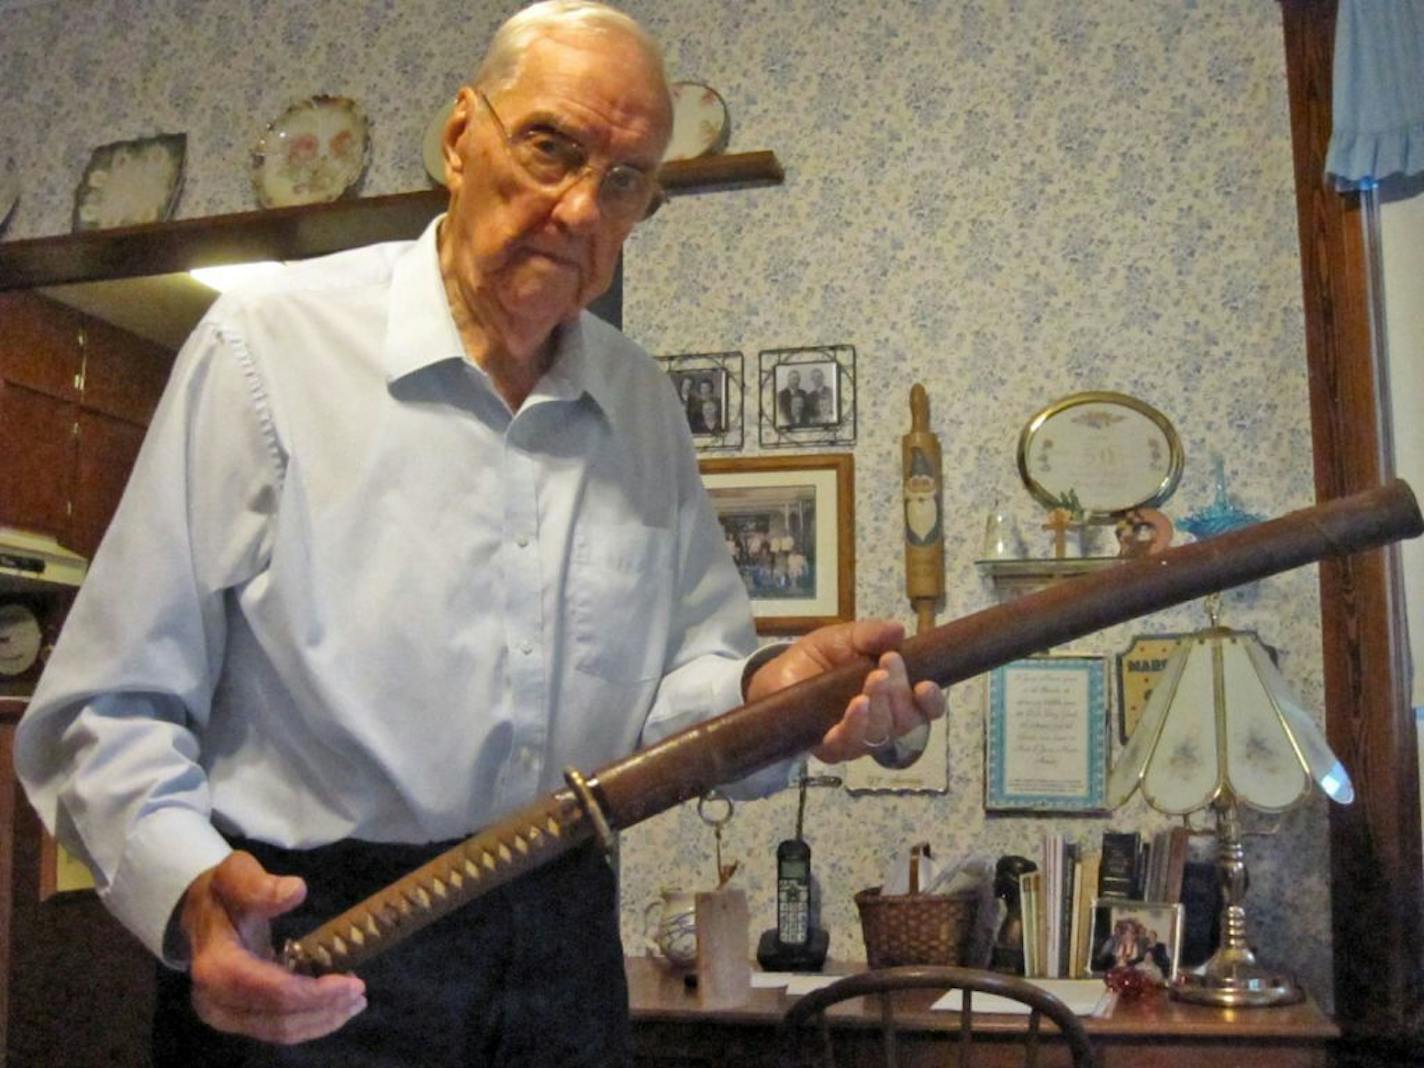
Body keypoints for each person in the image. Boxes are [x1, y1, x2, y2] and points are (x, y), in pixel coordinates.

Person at [13, 4, 943, 1066]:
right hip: (318, 938)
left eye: (627, 180)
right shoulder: (266, 350)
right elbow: (109, 700)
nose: (579, 206)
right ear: (462, 137)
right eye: (550, 147)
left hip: (560, 945)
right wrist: (186, 889)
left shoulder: (635, 403)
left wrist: (767, 698)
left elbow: (675, 689)